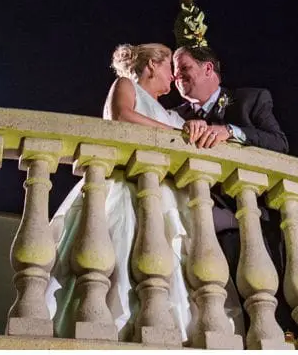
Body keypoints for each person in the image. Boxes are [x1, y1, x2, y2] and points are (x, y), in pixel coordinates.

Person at [44, 42, 243, 343]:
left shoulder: (171, 114)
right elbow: (120, 117)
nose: (174, 78)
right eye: (168, 68)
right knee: (119, 260)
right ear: (151, 65)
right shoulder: (126, 85)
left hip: (163, 197)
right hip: (126, 190)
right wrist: (173, 136)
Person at [171, 45, 292, 330]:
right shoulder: (173, 115)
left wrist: (231, 132)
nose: (178, 78)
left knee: (260, 314)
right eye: (174, 75)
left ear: (208, 69)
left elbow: (280, 144)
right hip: (193, 224)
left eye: (184, 69)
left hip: (246, 222)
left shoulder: (250, 99)